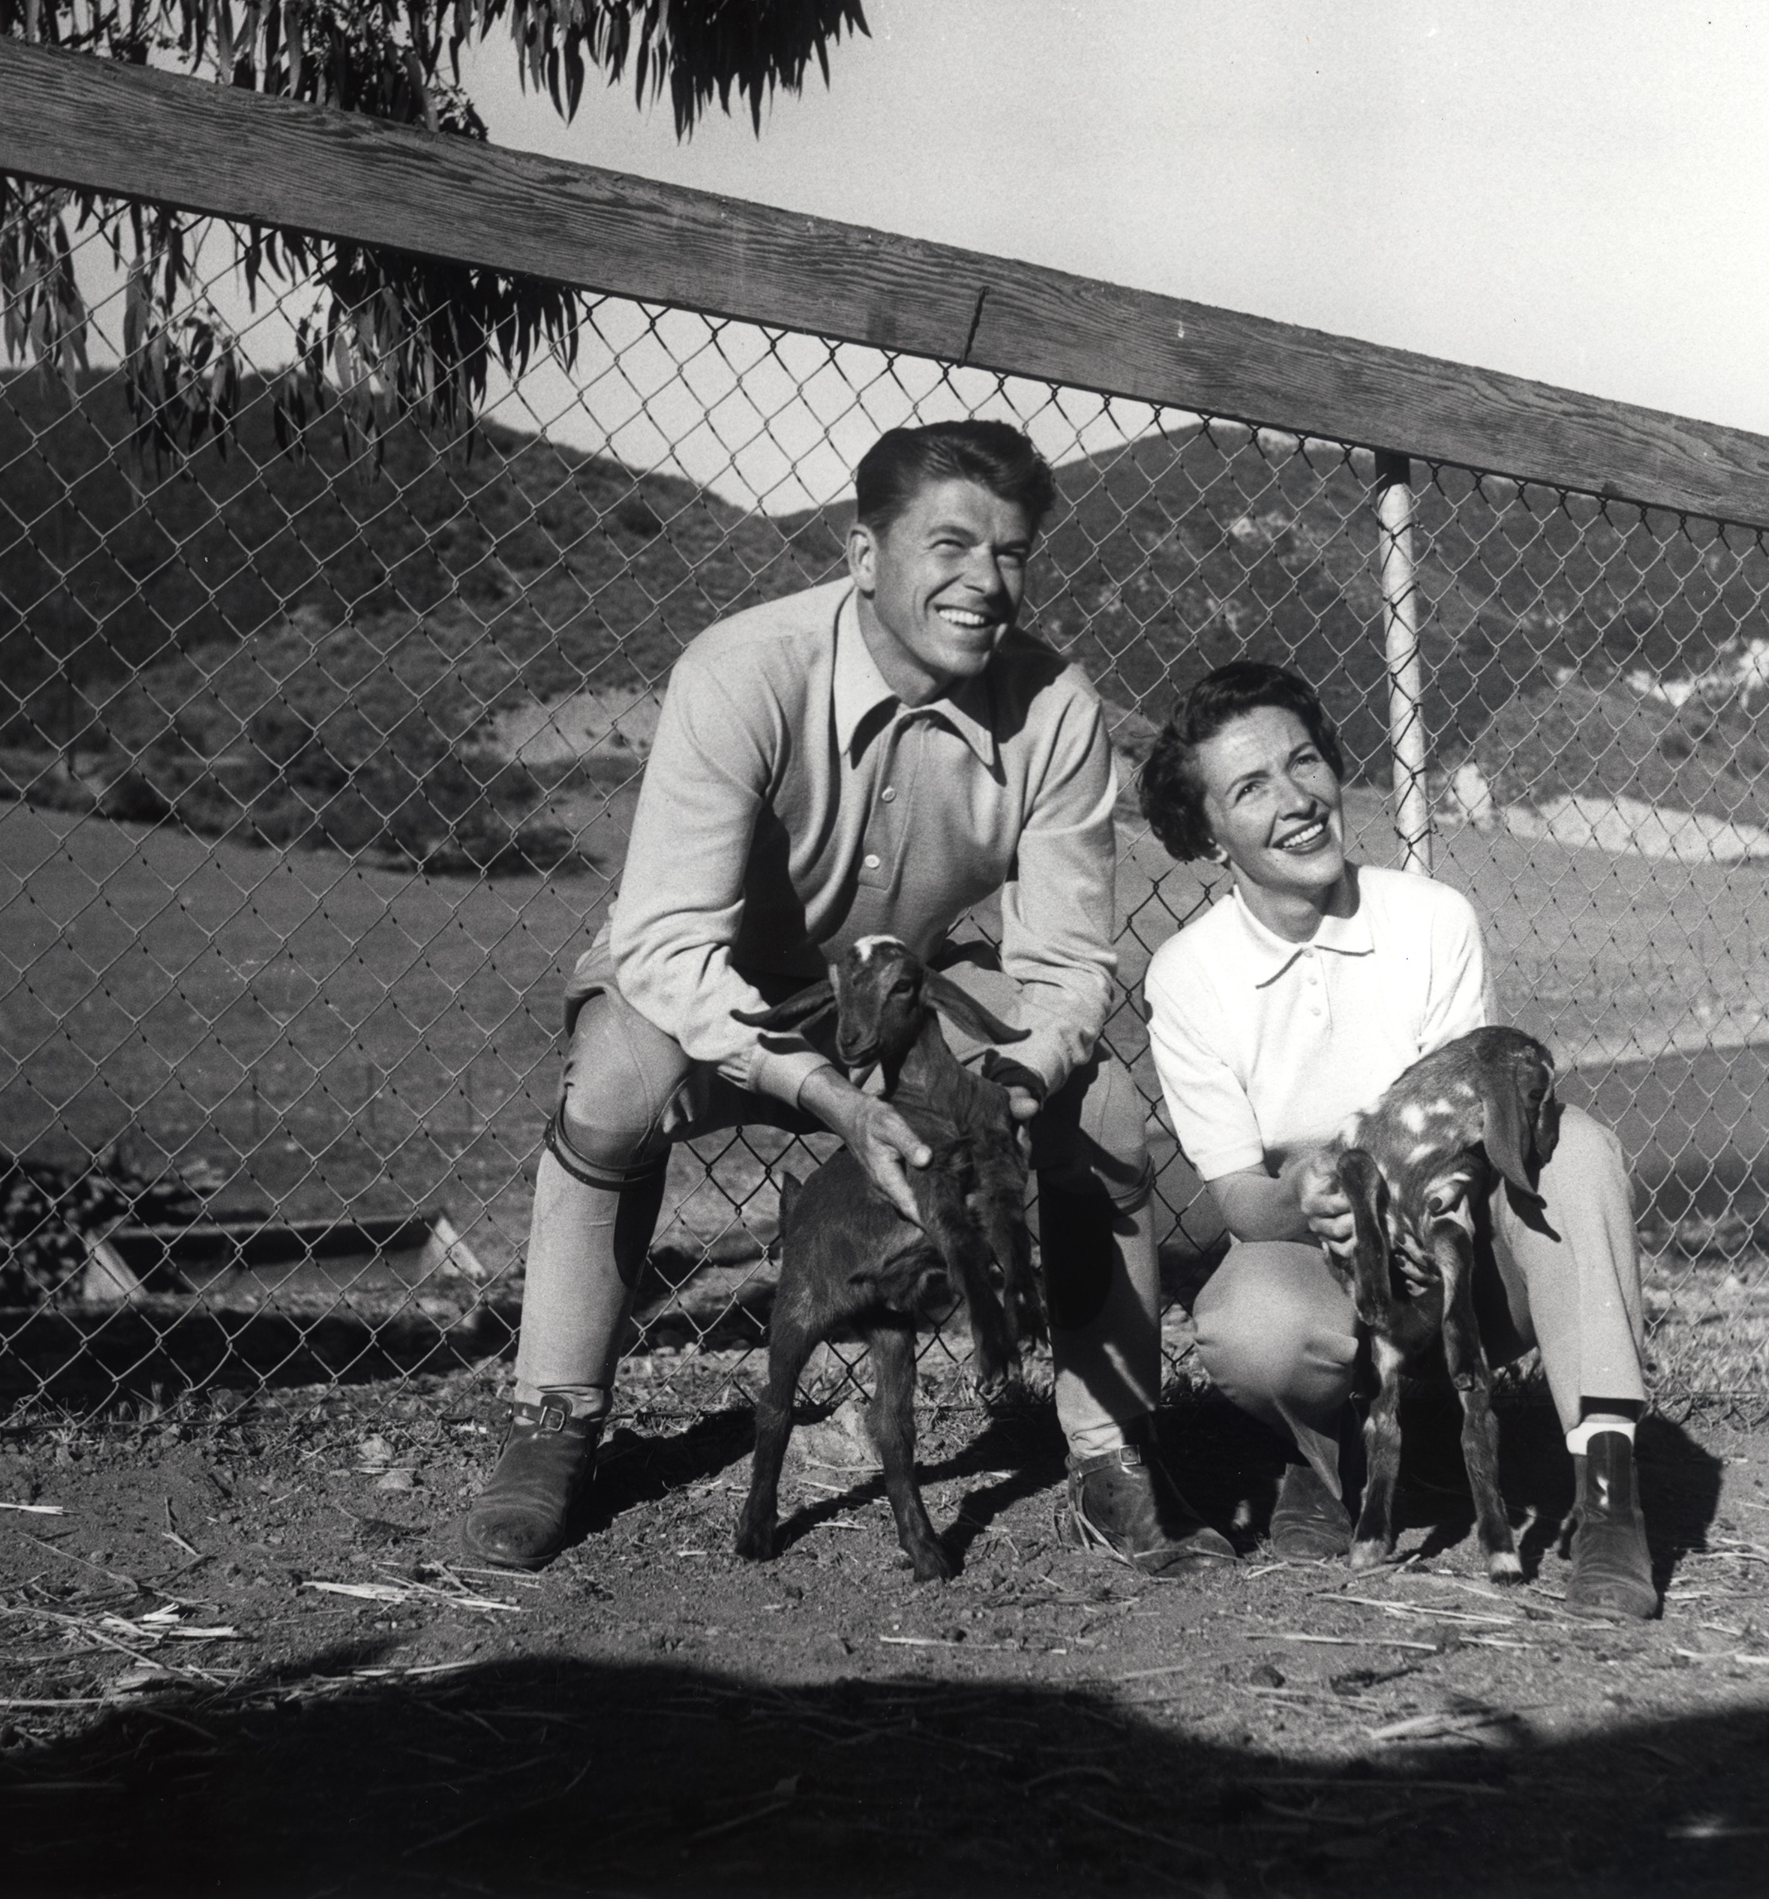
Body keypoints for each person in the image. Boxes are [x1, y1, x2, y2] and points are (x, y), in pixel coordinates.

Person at [462, 420, 1232, 1577]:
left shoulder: (1057, 709)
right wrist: (822, 1092)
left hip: (902, 984)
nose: (985, 582)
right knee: (617, 1077)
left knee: (1107, 1114)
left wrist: (1016, 1091)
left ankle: (1110, 1454)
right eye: (950, 545)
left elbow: (1067, 963)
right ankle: (552, 1422)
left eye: (1011, 553)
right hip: (727, 980)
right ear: (863, 552)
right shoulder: (744, 669)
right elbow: (666, 940)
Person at [1138, 660, 1660, 1618]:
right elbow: (1236, 1200)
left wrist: (1403, 1198)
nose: (1295, 801)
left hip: (1463, 1248)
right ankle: (1329, 1458)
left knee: (1575, 1144)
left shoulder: (1430, 920)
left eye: (1304, 762)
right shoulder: (1186, 977)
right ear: (1206, 833)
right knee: (1245, 1318)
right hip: (1338, 1262)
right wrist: (1301, 1190)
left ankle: (1608, 1491)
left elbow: (1470, 1133)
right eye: (1250, 788)